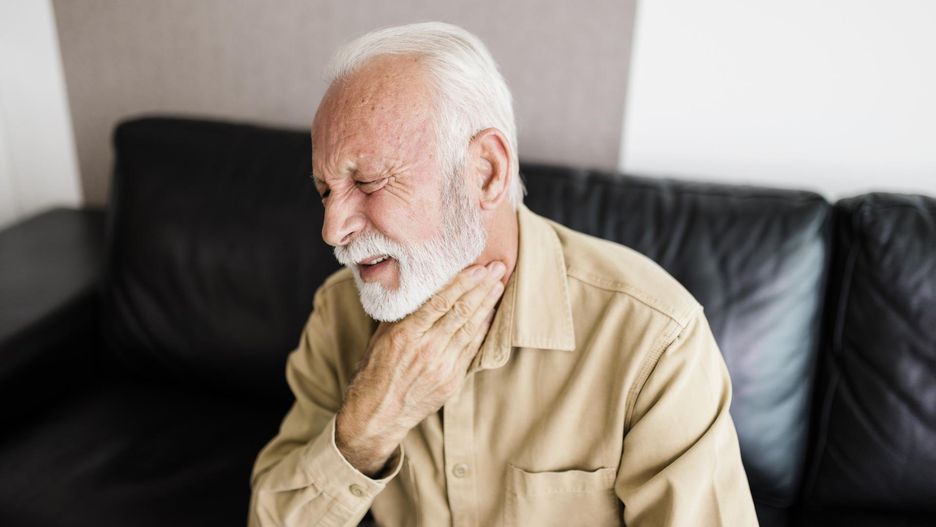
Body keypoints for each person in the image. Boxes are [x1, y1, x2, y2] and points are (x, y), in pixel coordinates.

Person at [249, 22, 758, 527]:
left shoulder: (655, 339)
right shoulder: (339, 313)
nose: (332, 229)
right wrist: (366, 428)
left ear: (486, 172)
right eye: (325, 191)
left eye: (368, 182)